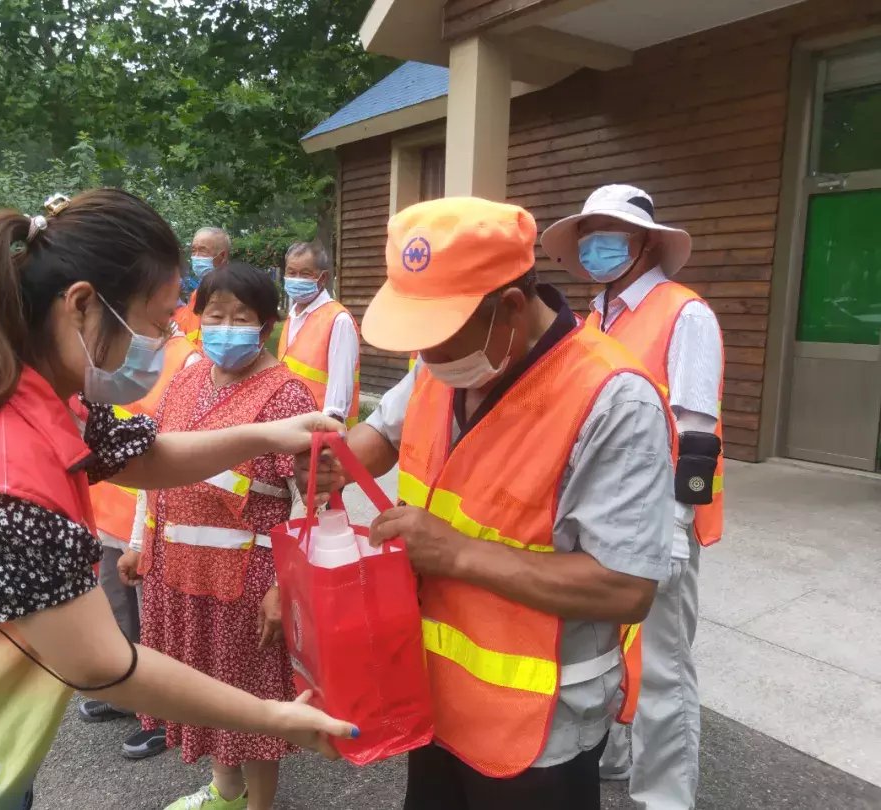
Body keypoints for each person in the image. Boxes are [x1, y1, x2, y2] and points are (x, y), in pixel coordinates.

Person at [0, 190, 355, 810]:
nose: (170, 339)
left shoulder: (23, 392)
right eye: (155, 321)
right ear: (83, 305)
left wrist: (270, 434)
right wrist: (274, 717)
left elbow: (142, 456)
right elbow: (103, 665)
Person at [297, 196, 675, 809]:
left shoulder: (613, 402)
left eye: (440, 339)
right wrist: (333, 464)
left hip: (539, 723)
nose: (426, 358)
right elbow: (384, 434)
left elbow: (625, 588)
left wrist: (453, 553)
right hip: (433, 697)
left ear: (510, 309)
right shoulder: (445, 364)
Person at [542, 184, 725, 810]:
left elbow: (697, 429)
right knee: (608, 651)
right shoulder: (596, 316)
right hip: (601, 517)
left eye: (609, 230)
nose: (595, 243)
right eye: (587, 230)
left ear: (644, 241)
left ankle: (666, 799)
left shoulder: (685, 312)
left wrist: (677, 520)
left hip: (661, 521)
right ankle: (615, 762)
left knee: (664, 668)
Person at [118, 262, 313, 810]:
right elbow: (150, 468)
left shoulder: (287, 396)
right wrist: (138, 541)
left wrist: (286, 586)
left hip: (245, 584)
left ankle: (259, 806)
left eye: (241, 317)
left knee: (249, 701)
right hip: (175, 572)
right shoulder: (187, 376)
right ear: (198, 318)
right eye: (215, 314)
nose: (225, 326)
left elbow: (308, 502)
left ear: (267, 325)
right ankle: (225, 793)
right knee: (207, 693)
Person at [77, 324, 202, 763]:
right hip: (106, 505)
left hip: (145, 513)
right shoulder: (103, 344)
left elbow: (171, 447)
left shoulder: (183, 359)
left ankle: (165, 714)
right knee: (117, 608)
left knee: (156, 618)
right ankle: (130, 696)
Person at [278, 241, 360, 427]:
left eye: (305, 274)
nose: (296, 278)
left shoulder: (338, 320)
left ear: (322, 278)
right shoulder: (293, 315)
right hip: (290, 427)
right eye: (291, 272)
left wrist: (327, 433)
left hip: (317, 433)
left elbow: (338, 396)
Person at [175, 226, 232, 347]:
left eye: (202, 250)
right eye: (193, 250)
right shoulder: (198, 292)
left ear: (222, 256)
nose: (196, 256)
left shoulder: (232, 294)